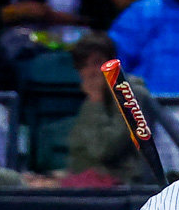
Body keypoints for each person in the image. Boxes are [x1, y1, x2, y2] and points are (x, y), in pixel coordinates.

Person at [61, 31, 151, 187]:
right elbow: (79, 152)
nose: (91, 72)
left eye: (97, 63)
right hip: (85, 180)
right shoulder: (92, 96)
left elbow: (102, 150)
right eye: (84, 65)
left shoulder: (129, 94)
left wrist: (95, 101)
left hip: (122, 183)